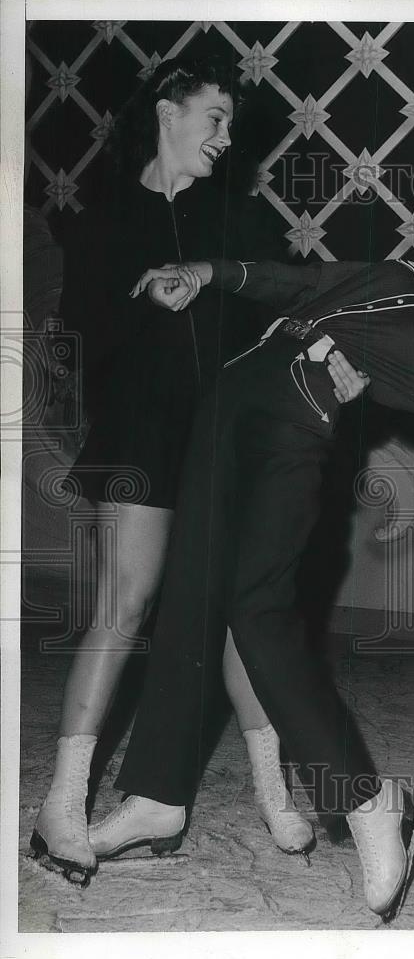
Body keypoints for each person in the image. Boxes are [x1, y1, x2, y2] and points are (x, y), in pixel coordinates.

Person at [87, 255, 414, 920]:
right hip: (227, 400)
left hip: (293, 428)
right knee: (189, 594)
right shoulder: (411, 278)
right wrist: (207, 273)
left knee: (257, 609)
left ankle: (367, 802)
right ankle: (157, 798)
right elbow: (304, 281)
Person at [30, 57, 370, 887]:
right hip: (142, 435)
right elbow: (81, 345)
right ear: (165, 111)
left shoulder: (238, 222)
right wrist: (146, 300)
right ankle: (60, 805)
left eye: (228, 125)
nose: (225, 139)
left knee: (237, 617)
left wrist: (332, 358)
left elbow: (290, 314)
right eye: (214, 118)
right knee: (125, 603)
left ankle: (272, 791)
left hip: (228, 441)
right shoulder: (102, 221)